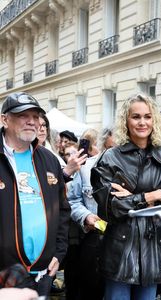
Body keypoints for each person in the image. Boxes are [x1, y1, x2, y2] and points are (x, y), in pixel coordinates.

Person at [91, 94, 161, 300]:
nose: (142, 122)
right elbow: (112, 207)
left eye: (147, 116)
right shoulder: (111, 158)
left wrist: (133, 199)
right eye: (136, 117)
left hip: (153, 252)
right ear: (126, 120)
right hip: (119, 253)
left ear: (155, 120)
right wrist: (156, 195)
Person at [0, 92, 70, 296]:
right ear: (5, 119)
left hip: (43, 272)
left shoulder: (49, 160)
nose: (32, 122)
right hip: (5, 275)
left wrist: (59, 253)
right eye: (23, 115)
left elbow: (63, 210)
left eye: (36, 116)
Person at [67, 127, 114, 299]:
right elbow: (72, 200)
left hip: (125, 243)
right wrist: (86, 216)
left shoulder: (138, 168)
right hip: (94, 240)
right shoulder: (86, 168)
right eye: (110, 148)